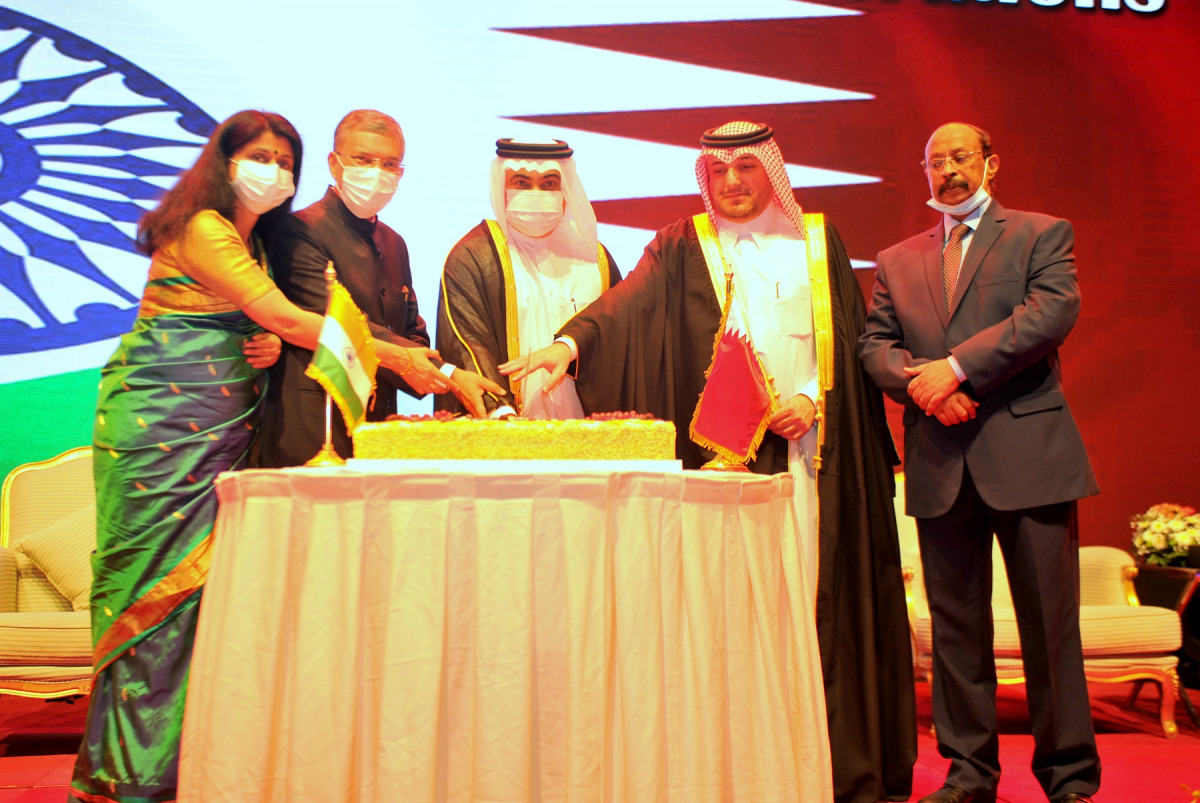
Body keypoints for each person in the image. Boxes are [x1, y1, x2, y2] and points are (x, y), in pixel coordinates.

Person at [68, 110, 481, 803]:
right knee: (153, 599)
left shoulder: (252, 237)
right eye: (260, 155)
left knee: (204, 602)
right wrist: (386, 355)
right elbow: (289, 317)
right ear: (223, 161)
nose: (273, 171)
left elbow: (260, 324)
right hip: (161, 431)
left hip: (222, 429)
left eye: (281, 162)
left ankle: (176, 764)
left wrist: (255, 348)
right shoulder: (204, 227)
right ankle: (123, 774)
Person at [503, 121, 916, 803]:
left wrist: (815, 400)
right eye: (719, 171)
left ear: (770, 172)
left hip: (812, 457)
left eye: (747, 169)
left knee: (810, 599)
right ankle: (742, 760)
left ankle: (824, 759)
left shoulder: (817, 240)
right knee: (731, 609)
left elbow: (847, 337)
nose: (732, 183)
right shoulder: (680, 244)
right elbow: (623, 303)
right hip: (720, 460)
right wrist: (567, 347)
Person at [858, 122, 1100, 803]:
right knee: (956, 632)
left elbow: (1051, 311)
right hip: (941, 460)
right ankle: (969, 775)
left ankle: (1070, 778)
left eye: (961, 158)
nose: (948, 171)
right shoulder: (898, 257)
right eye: (935, 161)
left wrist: (957, 370)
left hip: (1030, 457)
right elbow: (874, 346)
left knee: (1050, 628)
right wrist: (924, 388)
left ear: (992, 162)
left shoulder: (1040, 233)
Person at [257, 109, 501, 465]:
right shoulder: (299, 232)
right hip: (314, 418)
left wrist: (441, 373)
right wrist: (448, 373)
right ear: (334, 163)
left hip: (380, 426)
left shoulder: (394, 242)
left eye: (389, 164)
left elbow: (412, 333)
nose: (376, 173)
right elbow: (341, 326)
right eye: (363, 159)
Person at [434, 138, 620, 418]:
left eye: (548, 184)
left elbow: (619, 339)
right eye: (521, 183)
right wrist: (502, 417)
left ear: (565, 189)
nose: (536, 193)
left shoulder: (595, 259)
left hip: (587, 435)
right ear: (502, 187)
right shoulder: (473, 257)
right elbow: (467, 345)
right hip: (507, 435)